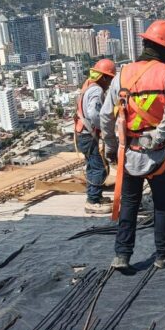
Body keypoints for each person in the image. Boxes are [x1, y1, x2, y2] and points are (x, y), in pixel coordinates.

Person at [100, 20, 165, 270]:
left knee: (129, 203)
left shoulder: (123, 74)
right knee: (162, 205)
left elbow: (105, 115)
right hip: (159, 153)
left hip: (129, 151)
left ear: (146, 43)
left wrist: (111, 146)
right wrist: (161, 133)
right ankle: (163, 255)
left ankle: (122, 255)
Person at [75, 58, 116, 214]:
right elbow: (93, 113)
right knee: (99, 168)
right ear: (103, 77)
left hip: (83, 134)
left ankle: (95, 197)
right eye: (109, 79)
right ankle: (92, 201)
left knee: (93, 166)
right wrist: (105, 129)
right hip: (88, 135)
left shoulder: (88, 85)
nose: (109, 83)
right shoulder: (96, 90)